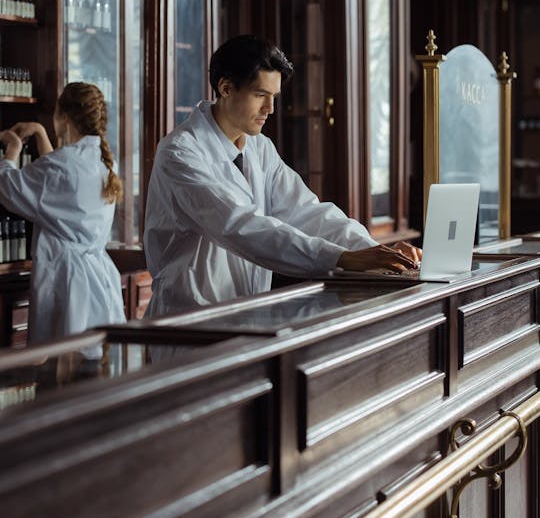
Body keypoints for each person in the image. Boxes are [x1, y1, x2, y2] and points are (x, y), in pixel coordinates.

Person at [144, 35, 421, 317]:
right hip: (188, 323)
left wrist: (375, 253)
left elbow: (307, 212)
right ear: (226, 88)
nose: (270, 109)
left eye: (274, 97)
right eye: (260, 95)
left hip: (245, 317)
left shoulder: (259, 147)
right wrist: (342, 258)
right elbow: (237, 224)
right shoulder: (180, 153)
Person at [0, 81, 126, 344]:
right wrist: (40, 133)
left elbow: (4, 185)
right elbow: (57, 185)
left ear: (63, 117)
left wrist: (11, 153)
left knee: (62, 369)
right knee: (95, 365)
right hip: (100, 276)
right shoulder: (103, 162)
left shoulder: (61, 166)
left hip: (66, 278)